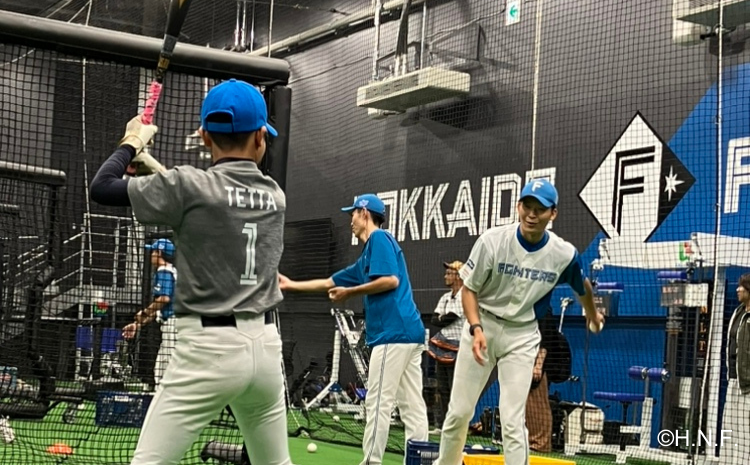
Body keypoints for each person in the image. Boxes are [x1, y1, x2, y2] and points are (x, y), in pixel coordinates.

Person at [90, 78, 291, 465]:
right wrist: (152, 168)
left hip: (208, 352)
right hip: (265, 350)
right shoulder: (274, 194)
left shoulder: (186, 186)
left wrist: (132, 141)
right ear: (261, 138)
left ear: (203, 137)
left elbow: (103, 187)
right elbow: (215, 201)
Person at [434, 179, 605, 465]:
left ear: (553, 214)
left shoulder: (562, 254)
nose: (532, 214)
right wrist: (475, 328)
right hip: (483, 326)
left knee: (513, 419)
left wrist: (591, 312)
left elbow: (581, 285)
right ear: (518, 206)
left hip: (522, 336)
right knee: (460, 412)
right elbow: (469, 290)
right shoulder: (492, 241)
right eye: (527, 206)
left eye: (540, 209)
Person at [279, 193, 429, 465]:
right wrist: (291, 285)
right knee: (412, 406)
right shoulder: (366, 258)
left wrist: (351, 292)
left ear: (364, 213)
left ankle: (371, 462)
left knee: (378, 402)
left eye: (353, 214)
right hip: (410, 332)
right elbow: (328, 282)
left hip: (393, 334)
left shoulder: (379, 239)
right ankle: (420, 461)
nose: (350, 220)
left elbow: (390, 280)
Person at [122, 238, 177, 389]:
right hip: (175, 324)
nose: (151, 255)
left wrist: (144, 311)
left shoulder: (164, 271)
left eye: (153, 251)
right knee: (160, 370)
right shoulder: (172, 271)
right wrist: (137, 324)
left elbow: (163, 299)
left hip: (173, 325)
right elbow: (161, 307)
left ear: (159, 252)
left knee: (168, 371)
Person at [427, 260, 465, 435]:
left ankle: (454, 427)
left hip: (460, 350)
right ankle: (441, 425)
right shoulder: (445, 297)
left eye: (449, 273)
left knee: (455, 389)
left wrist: (443, 319)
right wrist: (442, 319)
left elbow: (449, 318)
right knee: (442, 388)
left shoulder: (466, 295)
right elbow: (435, 319)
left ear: (458, 276)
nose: (445, 276)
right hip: (442, 348)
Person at [720, 273, 750, 465]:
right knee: (729, 427)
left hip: (748, 385)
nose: (737, 289)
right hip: (733, 380)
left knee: (745, 431)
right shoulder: (738, 312)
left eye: (742, 287)